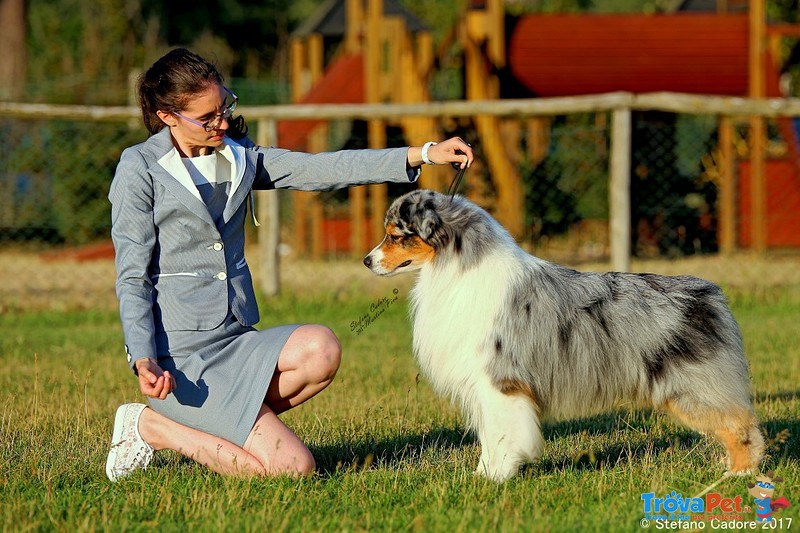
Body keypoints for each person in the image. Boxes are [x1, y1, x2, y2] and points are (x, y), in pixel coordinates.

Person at [105, 47, 473, 481]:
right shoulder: (140, 168)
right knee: (292, 470)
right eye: (207, 118)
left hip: (236, 340)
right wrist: (143, 357)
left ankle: (225, 422)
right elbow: (132, 276)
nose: (221, 122)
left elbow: (320, 168)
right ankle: (154, 427)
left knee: (321, 350)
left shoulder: (237, 155)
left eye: (224, 107)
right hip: (179, 360)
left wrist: (423, 154)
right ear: (168, 116)